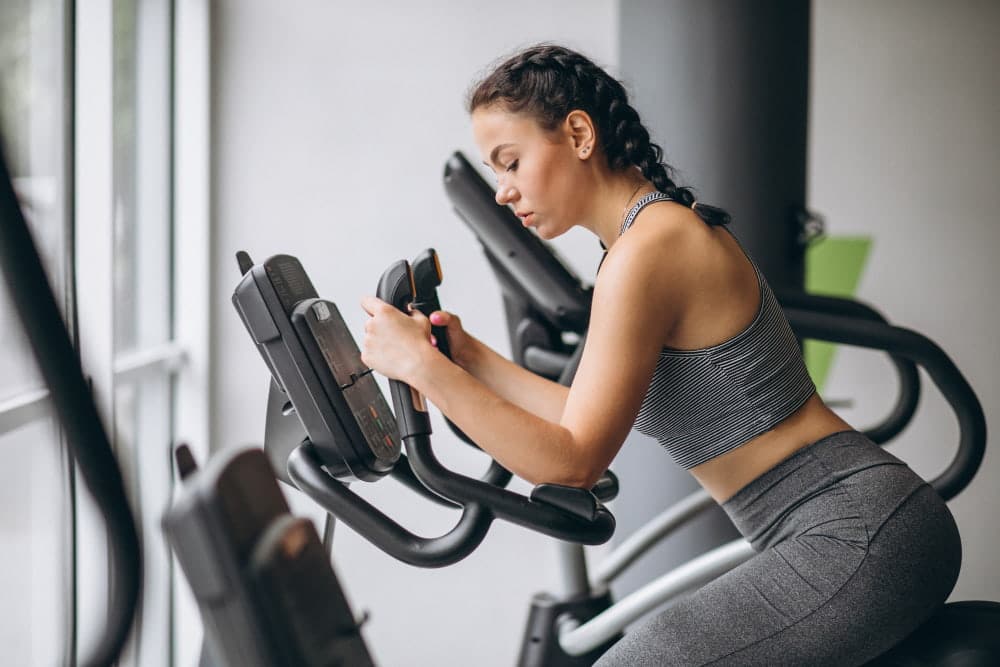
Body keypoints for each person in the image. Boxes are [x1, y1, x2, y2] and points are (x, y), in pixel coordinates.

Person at [359, 44, 960, 666]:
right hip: (847, 525)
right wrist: (468, 357)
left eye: (510, 163)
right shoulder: (645, 238)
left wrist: (421, 367)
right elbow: (577, 418)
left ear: (578, 133)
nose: (504, 193)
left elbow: (571, 464)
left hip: (853, 530)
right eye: (495, 174)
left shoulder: (649, 249)